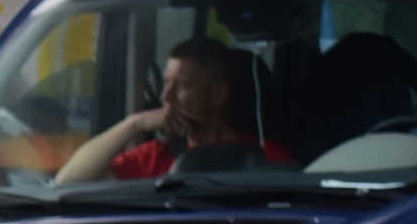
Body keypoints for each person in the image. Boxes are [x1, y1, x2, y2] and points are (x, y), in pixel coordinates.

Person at [56, 36, 293, 184]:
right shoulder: (155, 156)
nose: (165, 95)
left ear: (219, 94)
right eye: (166, 82)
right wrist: (134, 123)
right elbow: (68, 181)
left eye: (181, 86)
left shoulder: (266, 157)